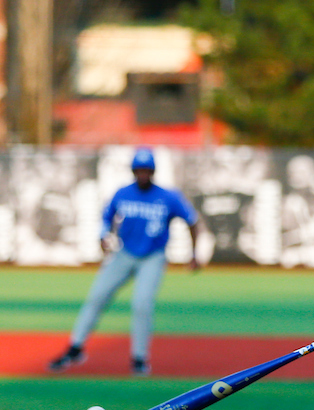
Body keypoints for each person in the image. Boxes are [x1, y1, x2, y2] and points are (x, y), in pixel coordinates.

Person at [47, 148, 200, 376]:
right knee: (96, 298)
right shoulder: (123, 193)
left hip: (153, 256)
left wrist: (195, 253)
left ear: (153, 171)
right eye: (139, 170)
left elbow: (192, 220)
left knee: (142, 304)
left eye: (147, 170)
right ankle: (75, 348)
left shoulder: (168, 197)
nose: (143, 174)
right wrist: (102, 235)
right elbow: (107, 216)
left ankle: (139, 359)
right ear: (133, 171)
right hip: (124, 253)